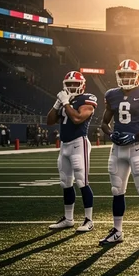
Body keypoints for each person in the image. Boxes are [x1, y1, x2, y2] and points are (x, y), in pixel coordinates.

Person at [99, 59, 139, 246]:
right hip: (118, 148)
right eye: (123, 74)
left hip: (137, 147)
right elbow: (104, 123)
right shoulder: (112, 95)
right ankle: (117, 231)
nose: (126, 78)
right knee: (116, 190)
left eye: (130, 74)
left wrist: (137, 136)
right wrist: (111, 134)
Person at [46, 71, 98, 232]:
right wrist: (57, 104)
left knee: (82, 182)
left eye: (75, 84)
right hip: (64, 145)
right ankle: (68, 219)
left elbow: (77, 118)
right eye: (69, 85)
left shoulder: (87, 99)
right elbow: (49, 121)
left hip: (78, 143)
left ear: (82, 85)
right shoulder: (63, 100)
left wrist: (66, 103)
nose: (72, 87)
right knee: (66, 183)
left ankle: (89, 220)